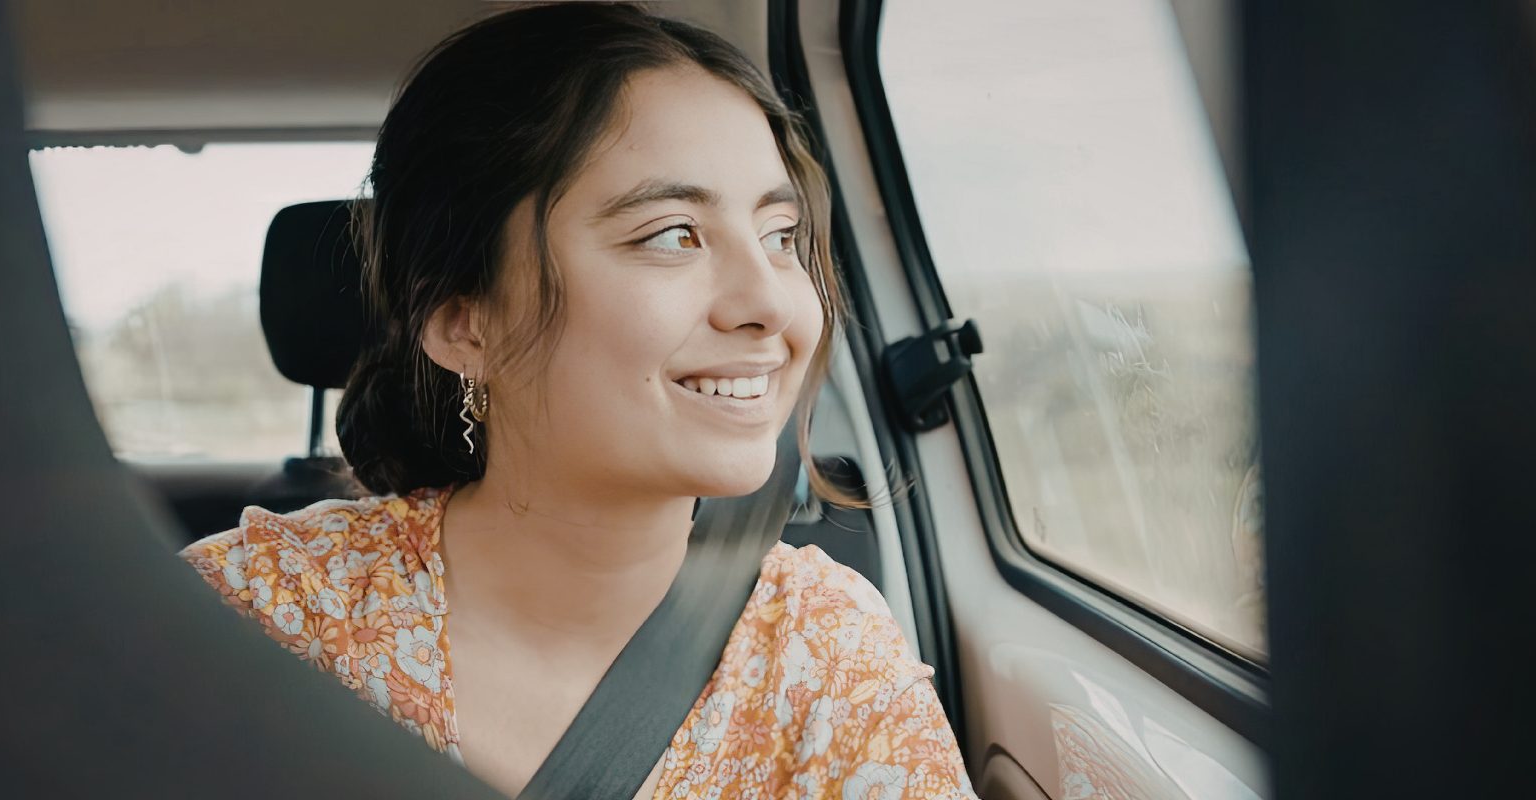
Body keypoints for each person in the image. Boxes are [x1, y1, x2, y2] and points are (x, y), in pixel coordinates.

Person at [180, 4, 976, 798]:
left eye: (781, 236)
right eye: (672, 234)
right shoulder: (260, 619)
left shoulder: (829, 654)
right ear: (465, 323)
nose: (769, 301)